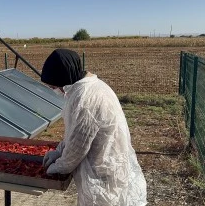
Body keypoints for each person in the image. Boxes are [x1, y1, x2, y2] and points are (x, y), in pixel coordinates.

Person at [41, 49, 147, 206]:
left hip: (104, 175)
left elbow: (78, 147)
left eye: (54, 86)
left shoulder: (85, 98)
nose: (55, 90)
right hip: (108, 166)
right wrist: (59, 150)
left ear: (64, 78)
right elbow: (75, 131)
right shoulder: (90, 87)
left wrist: (59, 166)